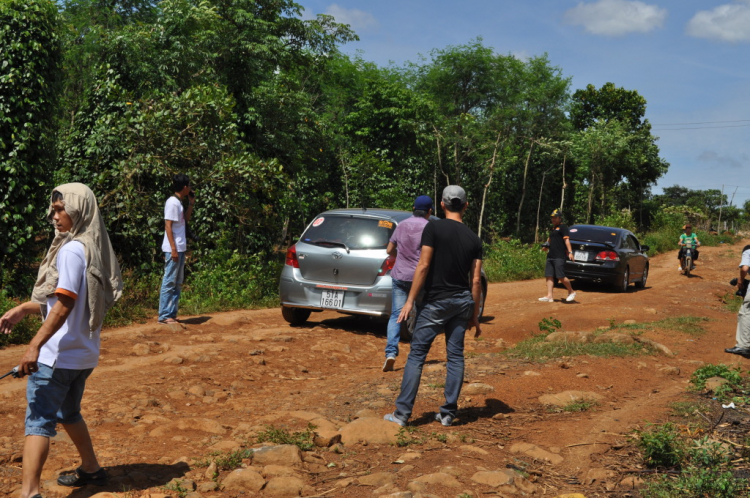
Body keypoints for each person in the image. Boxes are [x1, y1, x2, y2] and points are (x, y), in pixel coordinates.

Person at [0, 183, 123, 498]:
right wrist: (28, 309)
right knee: (68, 413)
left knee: (39, 422)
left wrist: (33, 346)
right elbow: (72, 300)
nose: (53, 216)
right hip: (82, 356)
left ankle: (29, 493)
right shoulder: (90, 246)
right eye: (53, 209)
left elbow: (66, 302)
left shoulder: (70, 250)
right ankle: (92, 470)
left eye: (60, 209)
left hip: (56, 358)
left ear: (78, 210)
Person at [383, 185, 483, 427]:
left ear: (441, 204)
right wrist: (474, 314)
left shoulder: (433, 228)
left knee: (417, 355)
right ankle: (448, 414)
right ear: (466, 206)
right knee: (456, 356)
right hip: (461, 303)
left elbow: (424, 266)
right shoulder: (474, 238)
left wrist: (409, 301)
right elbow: (476, 279)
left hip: (436, 302)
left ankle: (402, 414)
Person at [382, 195, 433, 372]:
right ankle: (415, 352)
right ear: (430, 211)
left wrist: (402, 257)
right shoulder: (429, 227)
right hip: (420, 278)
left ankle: (390, 353)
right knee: (420, 313)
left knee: (396, 314)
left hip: (399, 275)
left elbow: (389, 250)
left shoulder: (401, 224)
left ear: (413, 208)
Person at [158, 174, 195, 324]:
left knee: (177, 282)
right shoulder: (172, 203)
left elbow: (184, 220)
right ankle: (164, 315)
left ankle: (171, 313)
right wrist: (173, 248)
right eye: (189, 185)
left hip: (180, 248)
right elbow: (168, 226)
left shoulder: (179, 203)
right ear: (185, 187)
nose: (191, 188)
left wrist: (191, 204)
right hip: (173, 248)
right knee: (169, 281)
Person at [539, 209, 576, 303]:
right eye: (552, 218)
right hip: (551, 255)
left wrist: (570, 252)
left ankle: (571, 291)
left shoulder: (563, 227)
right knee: (549, 275)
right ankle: (549, 296)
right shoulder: (553, 229)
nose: (553, 219)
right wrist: (546, 246)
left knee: (560, 276)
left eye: (555, 218)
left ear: (560, 218)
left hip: (559, 256)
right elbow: (549, 241)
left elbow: (567, 241)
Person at [725, 244, 750, 356]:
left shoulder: (748, 250)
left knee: (745, 313)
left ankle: (743, 346)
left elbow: (744, 268)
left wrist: (741, 280)